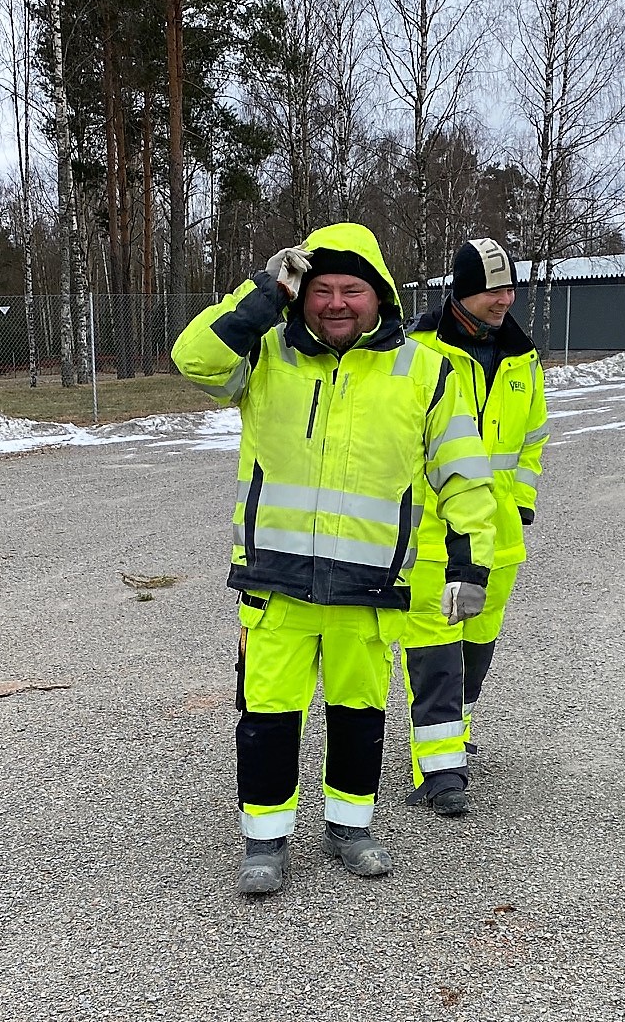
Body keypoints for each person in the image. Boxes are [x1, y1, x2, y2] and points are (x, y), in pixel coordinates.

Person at [172, 222, 497, 895]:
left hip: (369, 585)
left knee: (358, 716)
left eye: (353, 288)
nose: (337, 302)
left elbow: (463, 472)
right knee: (268, 718)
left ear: (380, 294)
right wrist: (265, 293)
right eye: (321, 289)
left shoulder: (425, 371)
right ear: (301, 293)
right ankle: (264, 841)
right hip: (277, 583)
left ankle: (350, 827)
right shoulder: (265, 353)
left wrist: (471, 563)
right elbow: (193, 358)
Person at [398, 238, 548, 816]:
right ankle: (439, 772)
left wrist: (524, 499)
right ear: (462, 290)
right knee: (433, 644)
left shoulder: (522, 358)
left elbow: (534, 437)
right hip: (432, 530)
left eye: (509, 287)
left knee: (478, 645)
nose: (504, 299)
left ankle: (451, 736)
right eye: (493, 289)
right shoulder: (416, 354)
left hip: (500, 535)